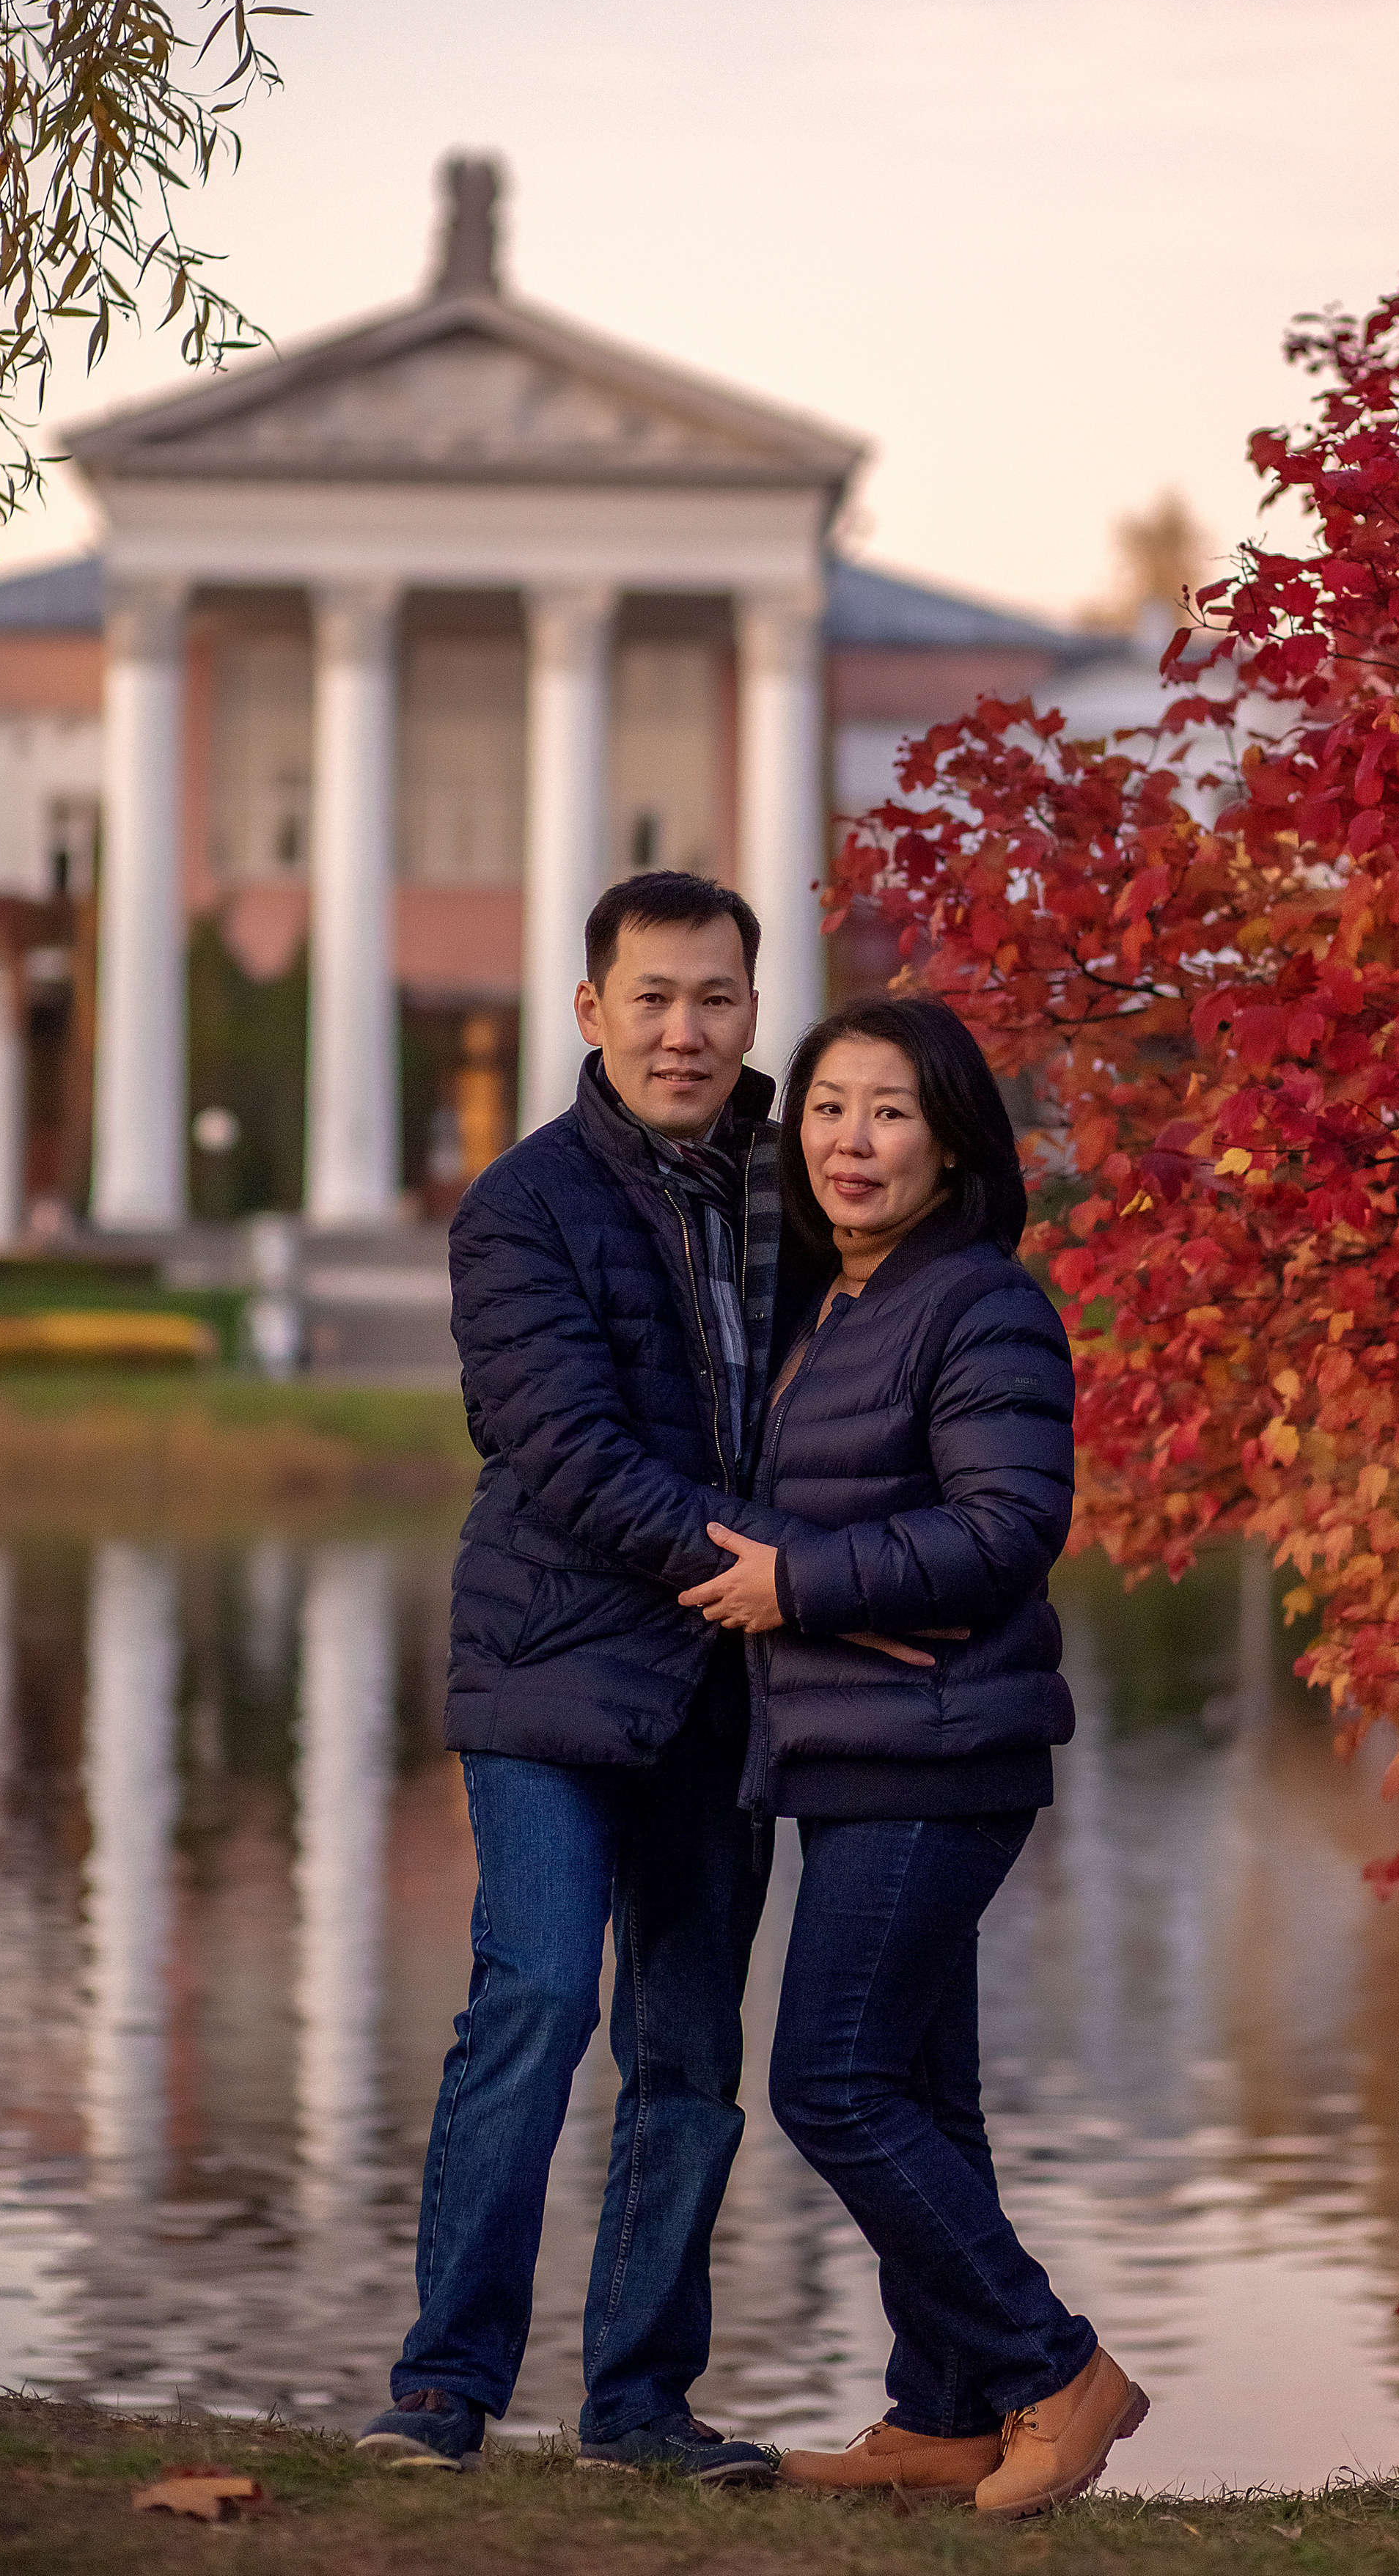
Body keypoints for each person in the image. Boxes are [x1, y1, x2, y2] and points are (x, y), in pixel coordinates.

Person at [678, 993, 1150, 2518]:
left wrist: (799, 1582)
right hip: (858, 1749)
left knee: (830, 2080)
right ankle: (940, 2414)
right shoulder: (837, 1304)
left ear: (949, 1141)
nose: (848, 1140)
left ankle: (1054, 2368)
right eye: (824, 1108)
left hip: (940, 1755)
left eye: (885, 1110)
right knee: (921, 2093)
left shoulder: (978, 1304)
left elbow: (1008, 1530)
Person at [356, 870, 800, 2485]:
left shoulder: (797, 1188)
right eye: (654, 998)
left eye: (717, 1000)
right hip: (553, 1666)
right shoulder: (523, 1205)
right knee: (536, 1997)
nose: (684, 1032)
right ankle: (441, 2390)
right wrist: (770, 1567)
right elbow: (562, 1451)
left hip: (730, 1686)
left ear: (754, 1012)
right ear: (589, 1012)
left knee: (687, 2055)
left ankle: (636, 2411)